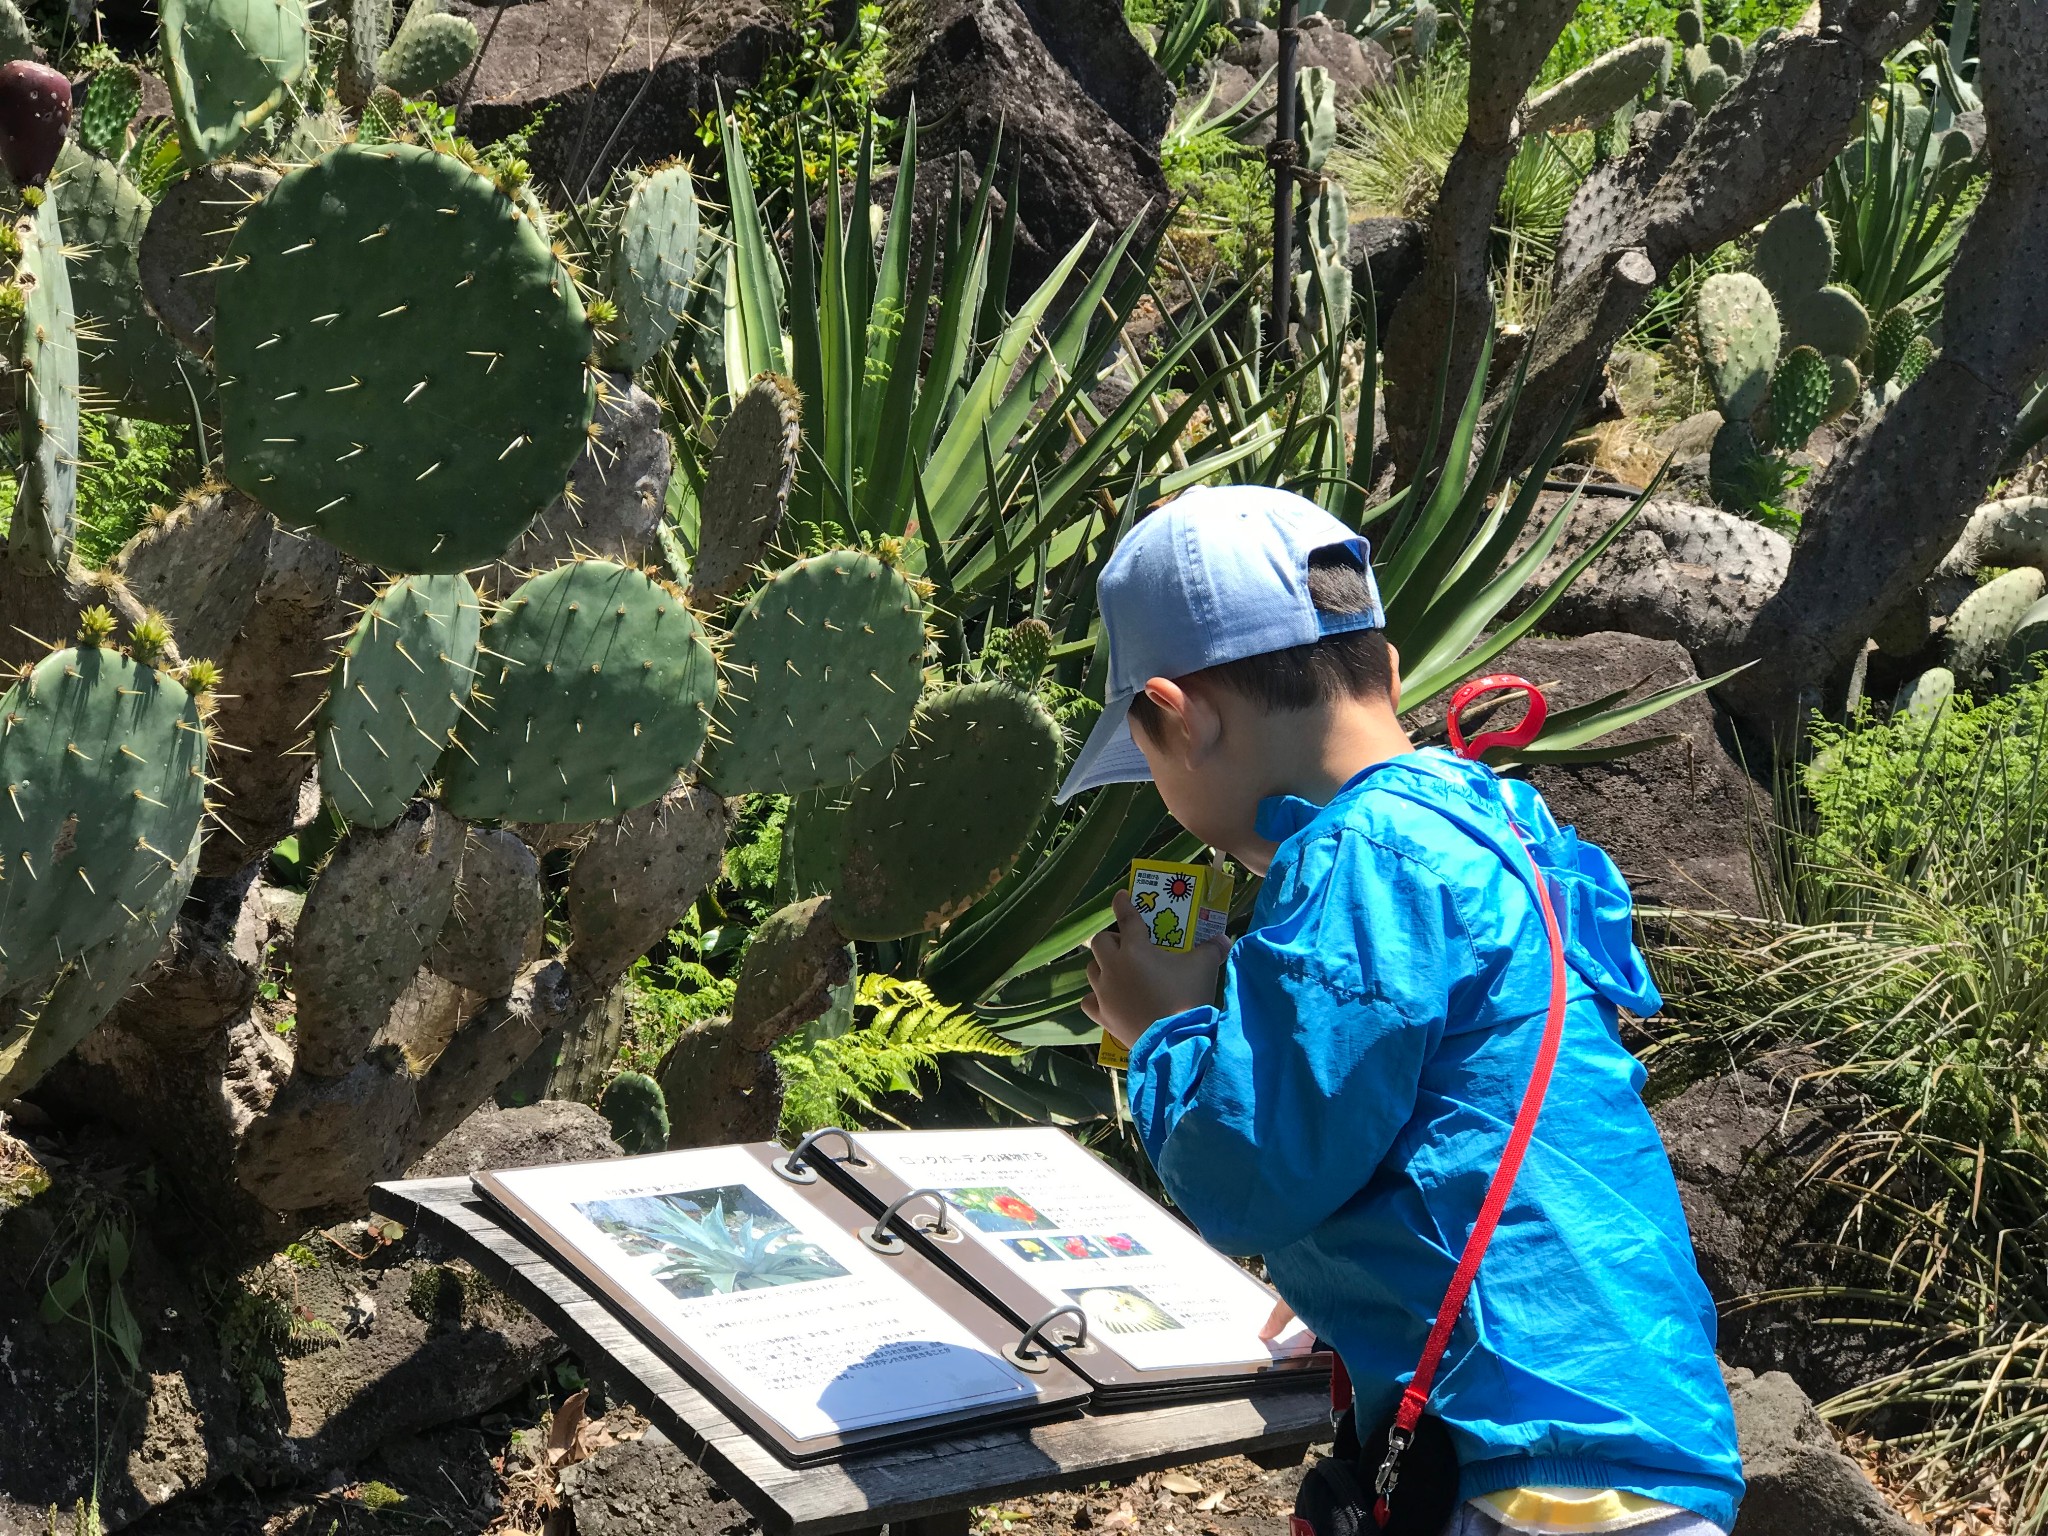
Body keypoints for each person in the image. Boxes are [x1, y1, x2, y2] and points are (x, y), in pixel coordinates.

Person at [1067, 486, 1744, 1536]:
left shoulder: (1356, 855)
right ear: (1384, 672)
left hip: (1522, 1451)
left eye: (1144, 757)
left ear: (1182, 716)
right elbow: (1470, 1101)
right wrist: (1350, 1262)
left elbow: (1246, 1166)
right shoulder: (1492, 821)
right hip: (1624, 1413)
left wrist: (1164, 1027)